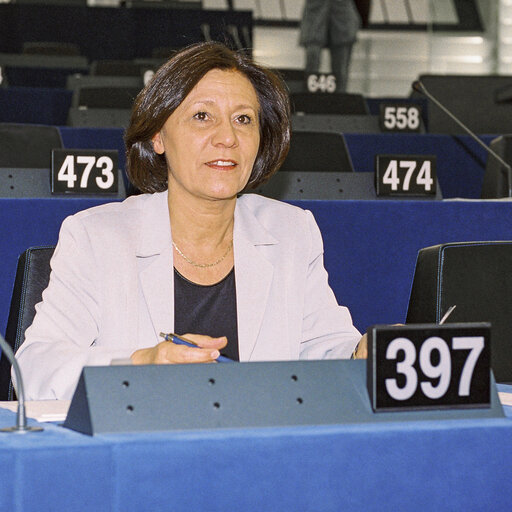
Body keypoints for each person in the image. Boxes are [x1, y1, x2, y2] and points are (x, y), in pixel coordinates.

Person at [14, 42, 365, 401]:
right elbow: (33, 369)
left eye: (243, 119)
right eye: (202, 116)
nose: (227, 137)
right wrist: (139, 366)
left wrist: (363, 353)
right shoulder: (97, 236)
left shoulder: (291, 231)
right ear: (158, 135)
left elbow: (325, 346)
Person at [299, 0, 361, 92]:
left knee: (340, 69)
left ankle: (340, 99)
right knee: (312, 60)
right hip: (315, 12)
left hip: (342, 14)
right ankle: (308, 97)